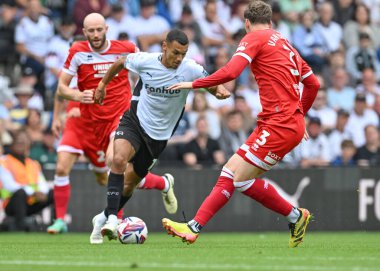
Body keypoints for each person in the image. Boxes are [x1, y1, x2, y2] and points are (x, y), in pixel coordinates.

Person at [162, 1, 320, 248]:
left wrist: (193, 85)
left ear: (247, 23)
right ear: (270, 21)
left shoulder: (254, 38)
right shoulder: (285, 43)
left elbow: (231, 72)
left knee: (237, 178)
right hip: (279, 122)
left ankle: (194, 228)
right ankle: (296, 216)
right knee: (231, 172)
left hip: (279, 125)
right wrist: (301, 115)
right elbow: (313, 85)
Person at [92, 29, 230, 243]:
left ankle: (102, 217)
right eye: (175, 53)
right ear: (164, 46)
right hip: (135, 121)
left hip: (158, 137)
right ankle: (112, 218)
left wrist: (220, 92)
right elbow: (120, 62)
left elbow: (211, 84)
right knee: (117, 159)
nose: (178, 58)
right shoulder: (145, 60)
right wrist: (102, 85)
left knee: (129, 184)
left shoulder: (190, 68)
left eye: (183, 54)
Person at [48, 14, 178, 236]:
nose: (96, 35)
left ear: (107, 28)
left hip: (119, 117)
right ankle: (162, 183)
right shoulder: (77, 51)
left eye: (99, 30)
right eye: (91, 31)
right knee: (101, 177)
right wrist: (77, 97)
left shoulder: (125, 48)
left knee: (115, 161)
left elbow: (149, 68)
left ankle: (114, 218)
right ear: (84, 31)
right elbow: (61, 89)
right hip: (85, 122)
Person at [0, 129, 53, 231]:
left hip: (31, 202)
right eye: (18, 142)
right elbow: (10, 185)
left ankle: (54, 226)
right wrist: (33, 192)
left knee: (53, 193)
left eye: (23, 142)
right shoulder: (3, 161)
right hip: (11, 203)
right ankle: (21, 228)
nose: (21, 145)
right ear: (12, 143)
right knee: (20, 193)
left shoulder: (33, 163)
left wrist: (42, 192)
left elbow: (41, 182)